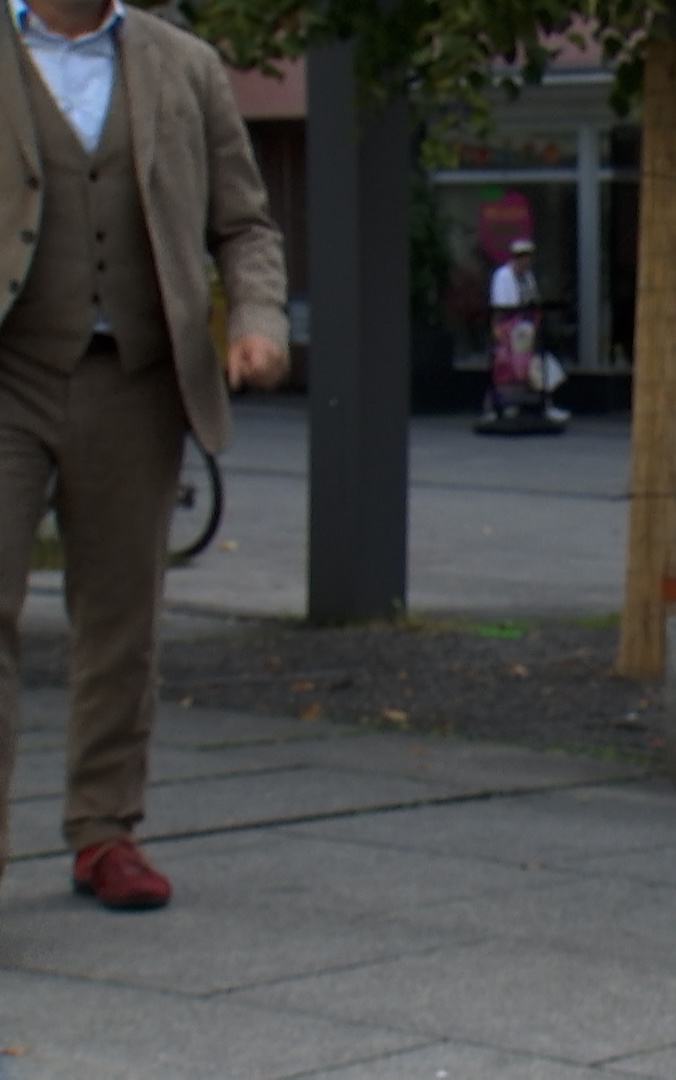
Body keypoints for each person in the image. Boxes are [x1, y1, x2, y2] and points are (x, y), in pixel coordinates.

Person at [0, 0, 289, 909]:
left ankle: (104, 832)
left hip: (135, 375)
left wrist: (255, 320)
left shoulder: (184, 64)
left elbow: (244, 223)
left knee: (121, 619)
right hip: (8, 369)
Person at [485, 237, 567, 424]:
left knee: (537, 364)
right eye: (522, 257)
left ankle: (544, 405)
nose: (526, 262)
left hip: (526, 329)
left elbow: (534, 302)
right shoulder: (503, 275)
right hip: (509, 328)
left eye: (528, 258)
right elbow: (502, 307)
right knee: (506, 367)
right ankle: (501, 405)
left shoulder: (528, 277)